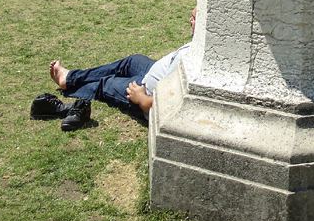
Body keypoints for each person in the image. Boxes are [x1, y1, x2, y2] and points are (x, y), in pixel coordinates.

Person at [31, 9, 196, 131]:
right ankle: (69, 77)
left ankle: (72, 86)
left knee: (105, 84)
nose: (190, 19)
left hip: (145, 93)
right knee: (131, 61)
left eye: (195, 18)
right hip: (153, 72)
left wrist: (143, 101)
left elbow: (177, 100)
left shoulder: (193, 59)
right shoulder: (199, 43)